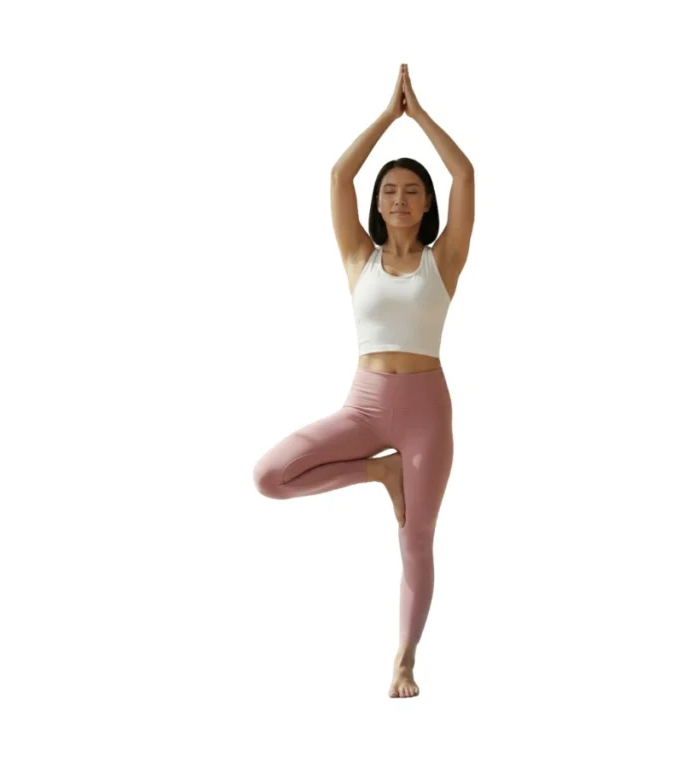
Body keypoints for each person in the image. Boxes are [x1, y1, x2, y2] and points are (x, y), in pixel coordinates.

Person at [252, 63, 474, 698]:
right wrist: (387, 116)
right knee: (271, 476)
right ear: (377, 205)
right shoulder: (358, 256)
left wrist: (421, 115)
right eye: (389, 192)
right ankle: (378, 472)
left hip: (427, 412)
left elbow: (465, 175)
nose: (399, 199)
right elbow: (338, 176)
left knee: (417, 540)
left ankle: (404, 659)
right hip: (367, 407)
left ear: (426, 203)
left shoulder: (445, 260)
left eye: (411, 191)